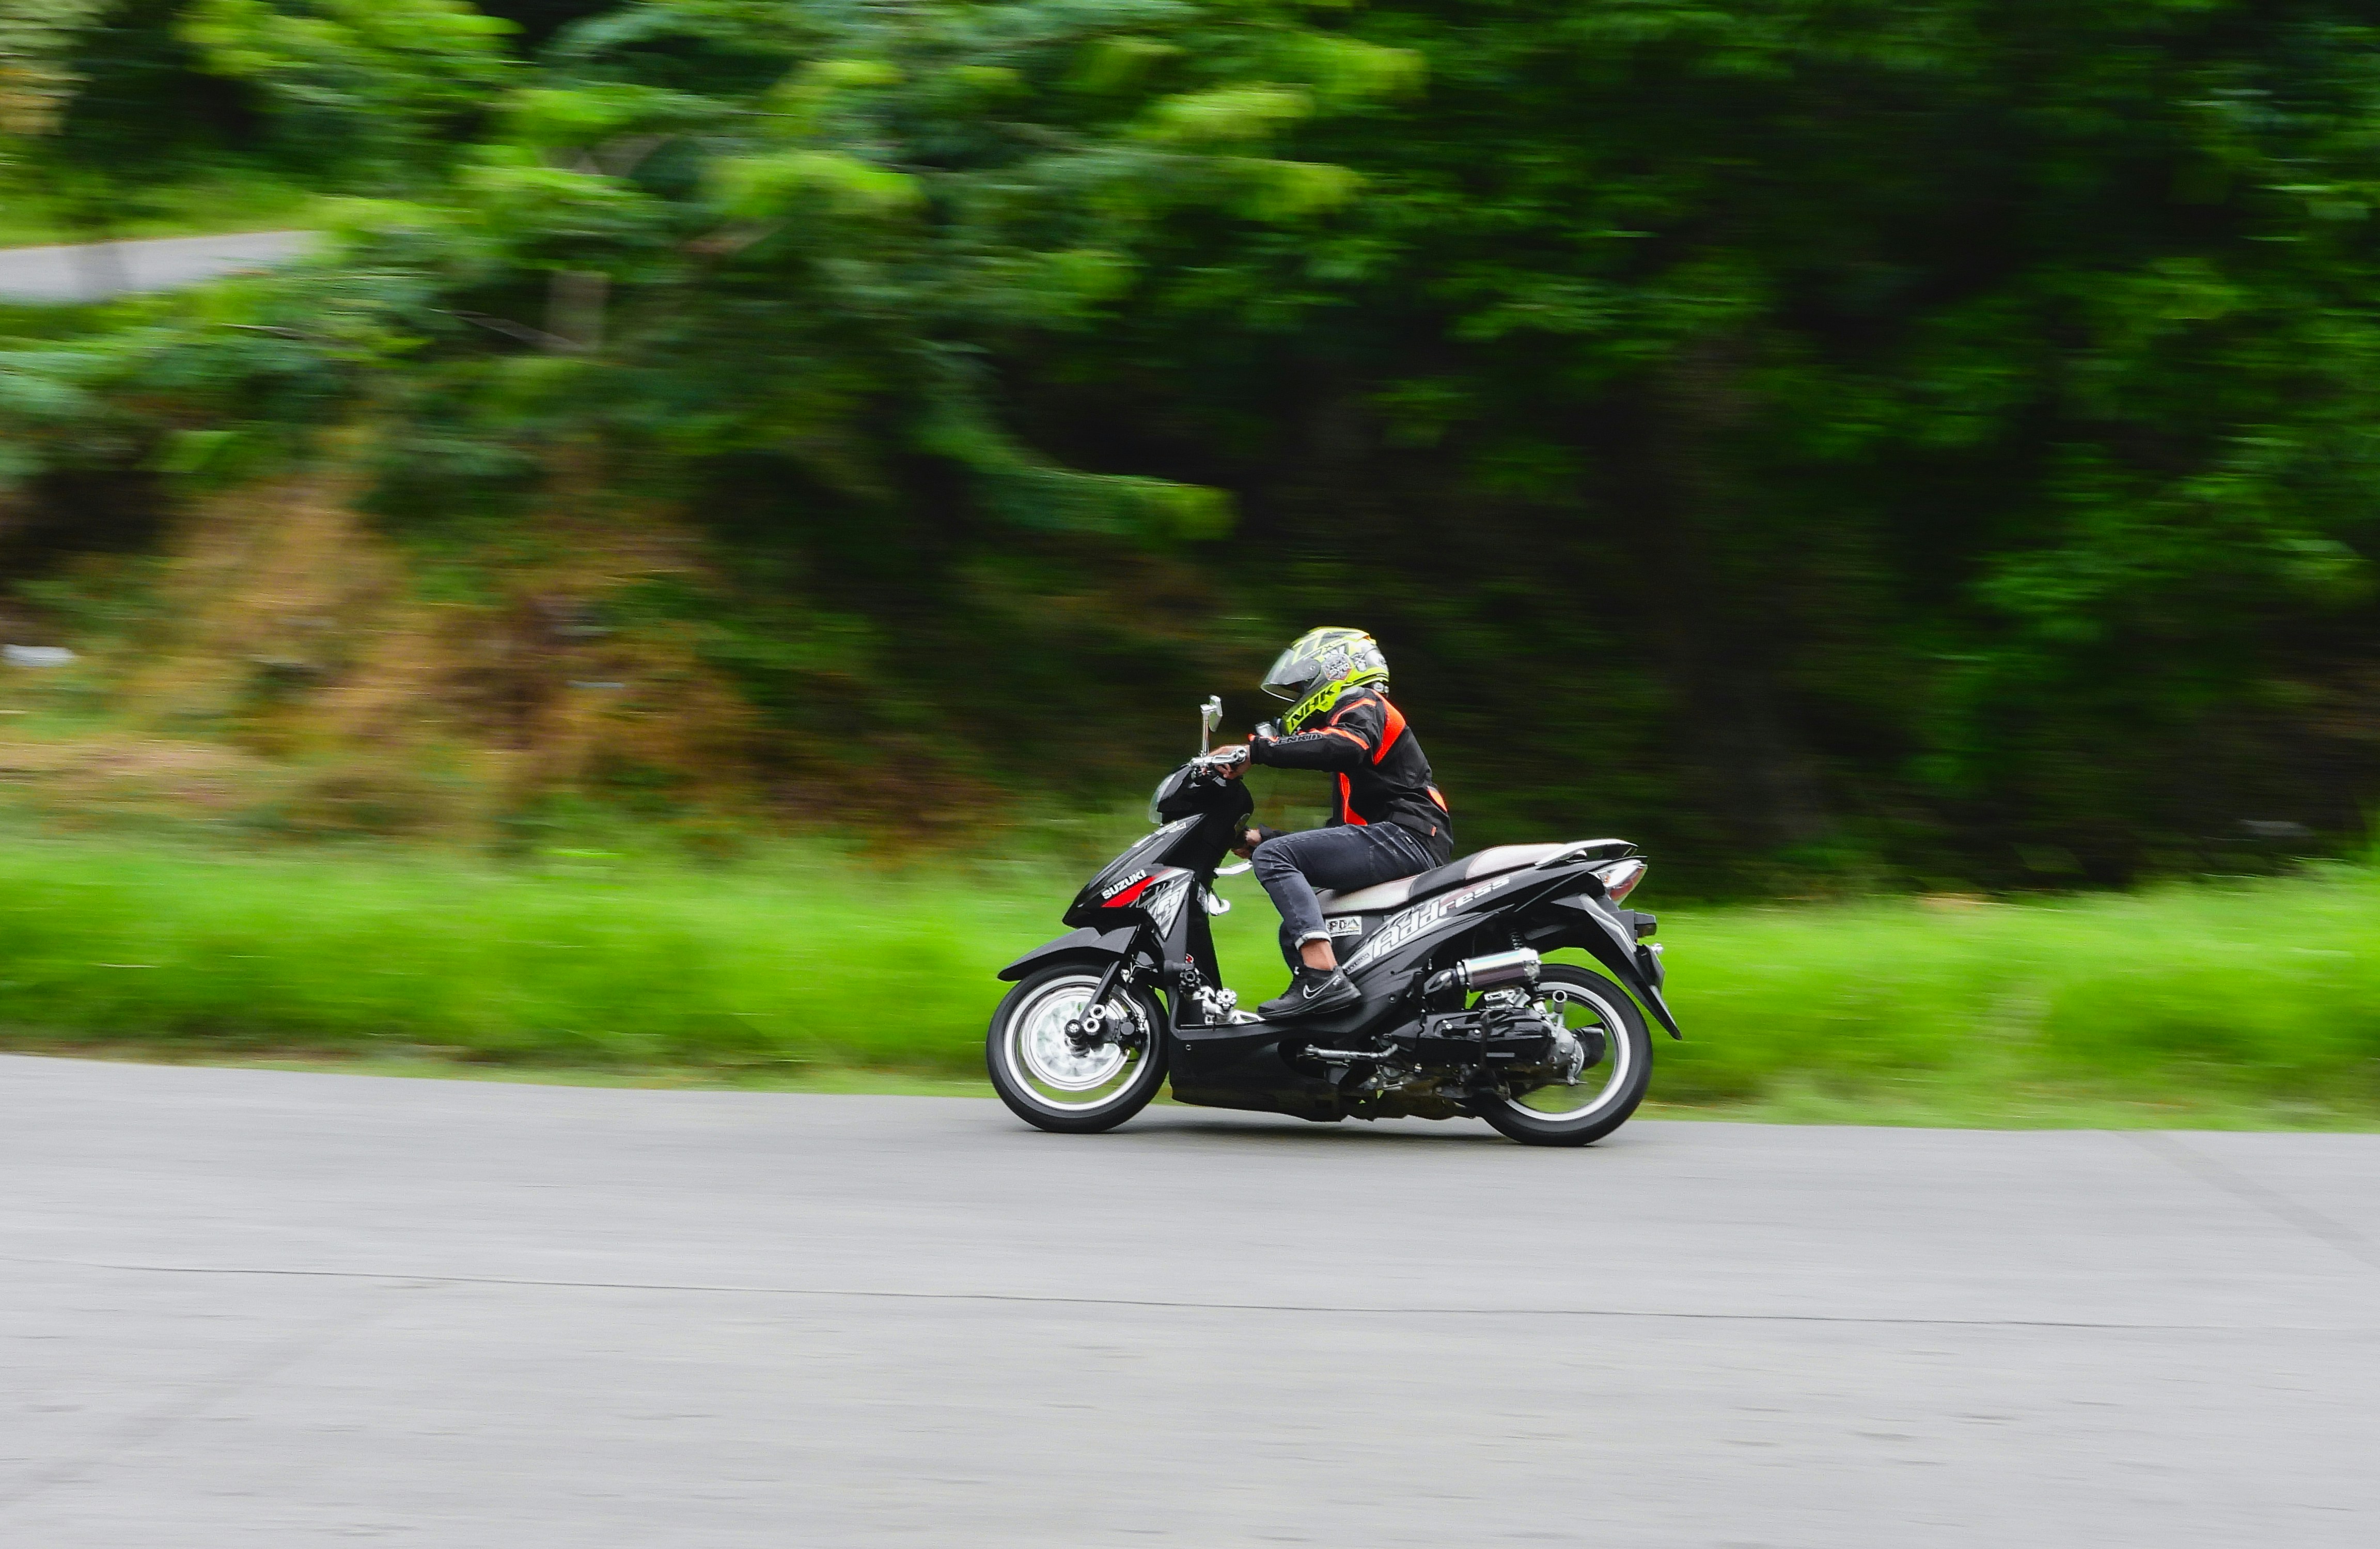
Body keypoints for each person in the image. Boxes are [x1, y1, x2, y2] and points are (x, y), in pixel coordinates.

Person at [1213, 627, 1454, 1018]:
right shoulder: (1356, 743)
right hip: (1400, 839)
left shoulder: (1362, 702)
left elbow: (1344, 745)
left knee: (1276, 859)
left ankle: (1322, 977)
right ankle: (1340, 1028)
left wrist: (1257, 750)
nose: (1300, 696)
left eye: (1303, 684)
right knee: (1297, 928)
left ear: (1336, 670)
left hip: (1408, 836)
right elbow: (1342, 837)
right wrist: (1265, 837)